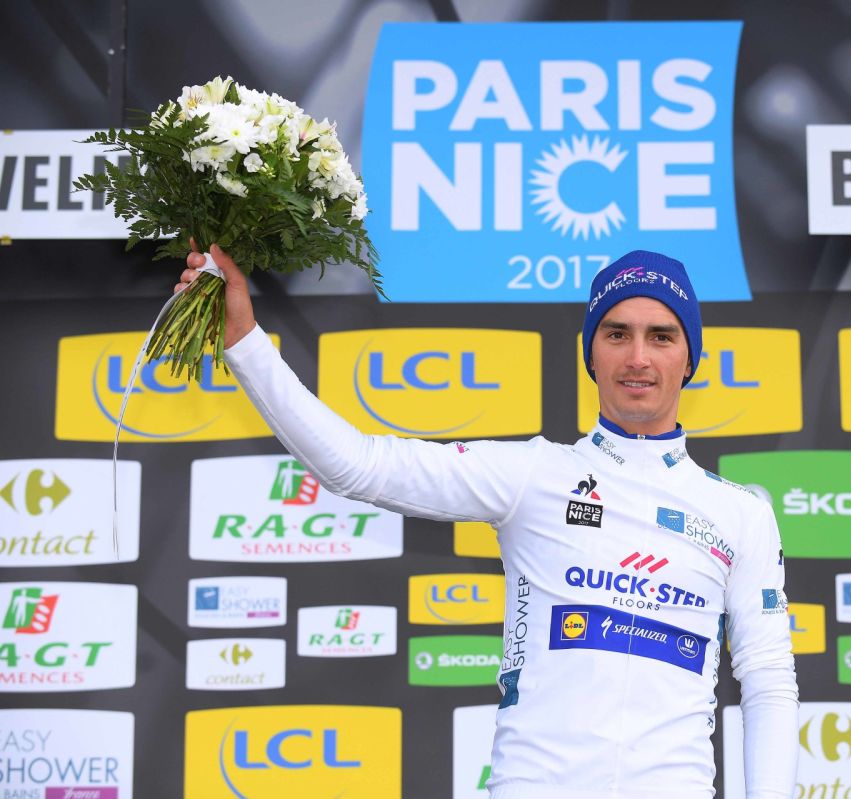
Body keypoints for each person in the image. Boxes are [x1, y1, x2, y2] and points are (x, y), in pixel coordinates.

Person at [178, 244, 799, 799]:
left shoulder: (740, 514)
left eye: (661, 336)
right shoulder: (534, 474)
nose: (638, 357)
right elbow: (357, 465)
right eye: (617, 334)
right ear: (591, 352)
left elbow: (768, 681)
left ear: (690, 357)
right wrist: (244, 340)